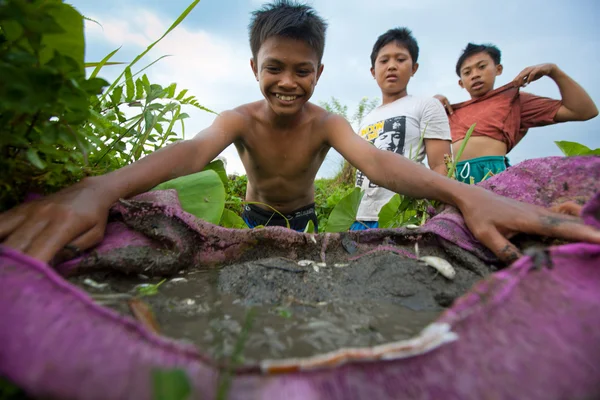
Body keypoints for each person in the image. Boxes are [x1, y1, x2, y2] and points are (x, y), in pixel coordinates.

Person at [0, 1, 599, 265]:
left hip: (307, 220)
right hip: (258, 219)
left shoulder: (328, 122)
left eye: (302, 70)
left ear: (319, 71)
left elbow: (379, 164)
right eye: (274, 68)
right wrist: (99, 188)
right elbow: (192, 151)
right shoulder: (239, 118)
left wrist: (467, 193)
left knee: (302, 279)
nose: (288, 82)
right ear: (254, 68)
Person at [435, 43, 598, 184]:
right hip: (454, 180)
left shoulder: (512, 100)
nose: (475, 74)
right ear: (461, 82)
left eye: (482, 66)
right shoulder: (448, 112)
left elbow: (584, 111)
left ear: (498, 69)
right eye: (467, 72)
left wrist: (554, 71)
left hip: (492, 177)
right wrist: (432, 105)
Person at [351, 28, 451, 231]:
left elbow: (441, 165)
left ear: (414, 68)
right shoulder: (368, 118)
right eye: (384, 60)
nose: (392, 66)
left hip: (405, 214)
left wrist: (438, 215)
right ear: (373, 71)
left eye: (400, 59)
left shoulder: (427, 105)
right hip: (361, 216)